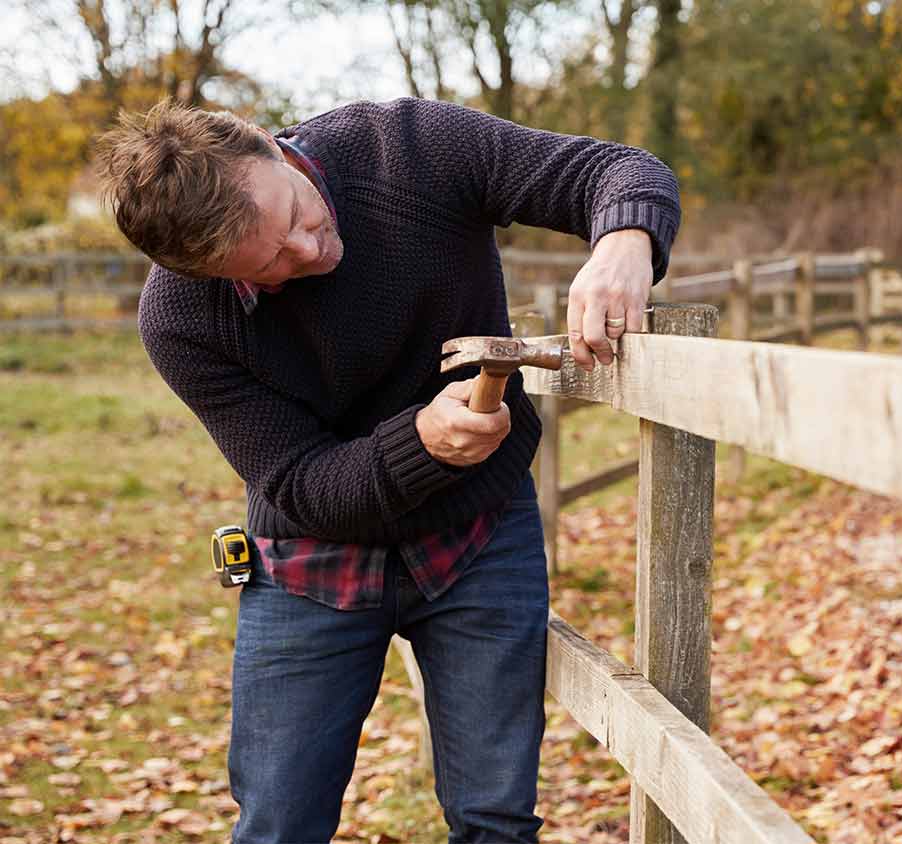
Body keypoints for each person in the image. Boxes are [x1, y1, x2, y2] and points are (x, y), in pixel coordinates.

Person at [94, 96, 680, 843]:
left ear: (270, 147)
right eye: (269, 264)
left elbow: (618, 170)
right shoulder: (180, 319)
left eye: (297, 215)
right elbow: (303, 484)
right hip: (308, 561)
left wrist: (623, 246)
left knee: (494, 819)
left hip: (480, 534)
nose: (307, 251)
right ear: (200, 271)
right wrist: (422, 443)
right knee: (278, 822)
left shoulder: (409, 146)